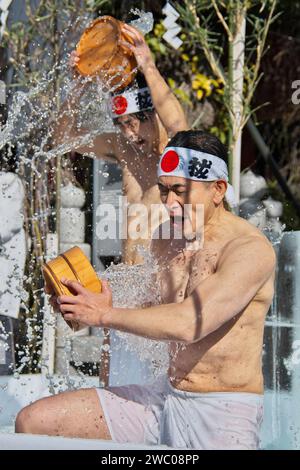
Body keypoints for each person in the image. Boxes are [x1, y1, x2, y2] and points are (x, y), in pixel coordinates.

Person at [15, 130, 276, 449]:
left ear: (217, 189)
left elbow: (190, 323)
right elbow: (151, 309)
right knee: (34, 422)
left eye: (180, 191)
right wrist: (86, 303)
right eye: (164, 191)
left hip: (223, 411)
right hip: (162, 397)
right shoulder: (166, 237)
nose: (170, 203)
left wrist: (106, 315)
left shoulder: (249, 249)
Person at [54, 23, 188, 264]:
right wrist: (76, 89)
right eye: (121, 125)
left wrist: (148, 66)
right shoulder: (122, 148)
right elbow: (63, 139)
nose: (128, 133)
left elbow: (177, 124)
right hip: (131, 279)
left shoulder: (178, 155)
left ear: (154, 114)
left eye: (133, 123)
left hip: (166, 284)